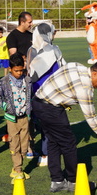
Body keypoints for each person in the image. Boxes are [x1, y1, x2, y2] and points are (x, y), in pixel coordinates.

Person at [33, 59, 97, 192]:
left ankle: (57, 181)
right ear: (95, 74)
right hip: (51, 109)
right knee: (69, 143)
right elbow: (90, 116)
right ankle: (74, 182)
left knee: (53, 142)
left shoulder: (75, 65)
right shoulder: (85, 87)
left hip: (38, 103)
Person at [27, 22, 65, 167]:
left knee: (46, 125)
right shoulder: (49, 49)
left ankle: (46, 153)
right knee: (46, 125)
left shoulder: (34, 49)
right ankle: (45, 153)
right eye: (52, 32)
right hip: (47, 92)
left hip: (41, 91)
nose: (53, 35)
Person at [0, 53, 32, 182]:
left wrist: (30, 109)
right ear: (10, 69)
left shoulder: (27, 80)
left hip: (25, 118)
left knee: (25, 145)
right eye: (16, 71)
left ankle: (18, 167)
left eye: (22, 70)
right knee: (14, 144)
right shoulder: (4, 82)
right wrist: (5, 106)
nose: (19, 73)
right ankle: (18, 169)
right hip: (11, 119)